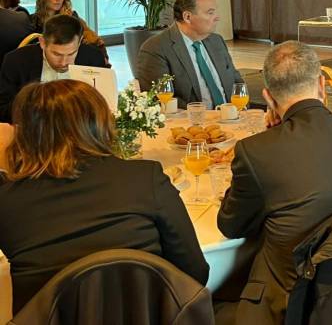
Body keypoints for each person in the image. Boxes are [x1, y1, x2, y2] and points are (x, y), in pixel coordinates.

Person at [0, 80, 209, 313]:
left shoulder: (8, 201)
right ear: (100, 123)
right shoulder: (143, 178)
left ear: (24, 134)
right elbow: (195, 272)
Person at [217, 41, 332, 325]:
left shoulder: (255, 151)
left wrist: (268, 141)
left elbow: (231, 225)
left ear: (268, 98)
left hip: (291, 301)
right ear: (321, 85)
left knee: (209, 301)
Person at [136, 0, 244, 109]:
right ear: (187, 17)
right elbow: (159, 99)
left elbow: (237, 83)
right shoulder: (155, 49)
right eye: (210, 12)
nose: (217, 17)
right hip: (195, 123)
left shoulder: (216, 41)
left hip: (233, 118)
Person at [0, 14, 105, 122]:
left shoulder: (93, 58)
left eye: (71, 54)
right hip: (34, 130)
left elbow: (103, 104)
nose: (64, 62)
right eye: (56, 54)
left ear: (80, 42)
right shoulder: (16, 61)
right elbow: (3, 110)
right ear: (42, 43)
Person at [30, 0, 109, 66]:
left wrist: (102, 57)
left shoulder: (71, 17)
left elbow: (90, 38)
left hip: (73, 60)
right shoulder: (34, 20)